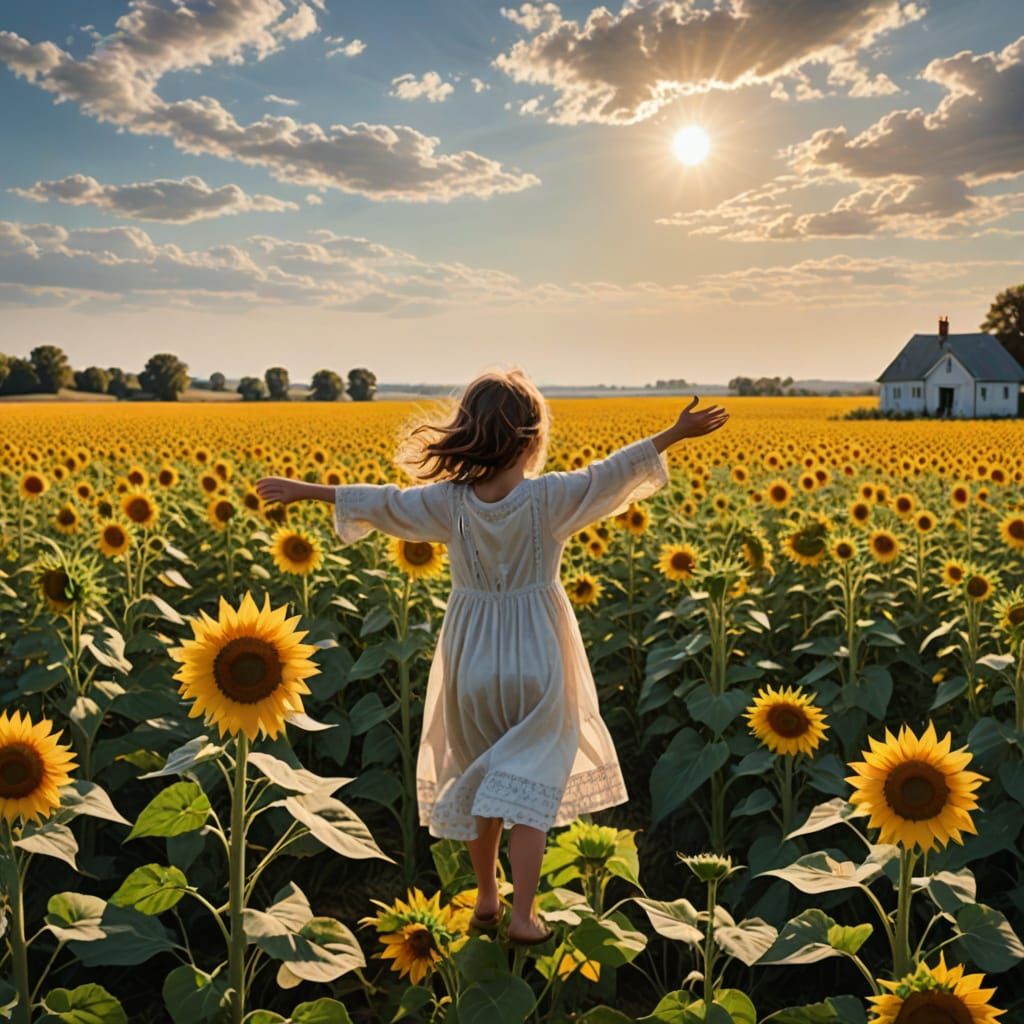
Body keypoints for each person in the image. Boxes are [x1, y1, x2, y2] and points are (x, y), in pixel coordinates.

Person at [254, 366, 729, 945]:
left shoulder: (449, 503)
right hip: (539, 653)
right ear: (530, 441)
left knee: (481, 778)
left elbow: (387, 504)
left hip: (471, 655)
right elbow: (610, 475)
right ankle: (525, 915)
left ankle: (485, 897)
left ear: (469, 435)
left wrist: (306, 490)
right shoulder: (550, 497)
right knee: (530, 786)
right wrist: (673, 434)